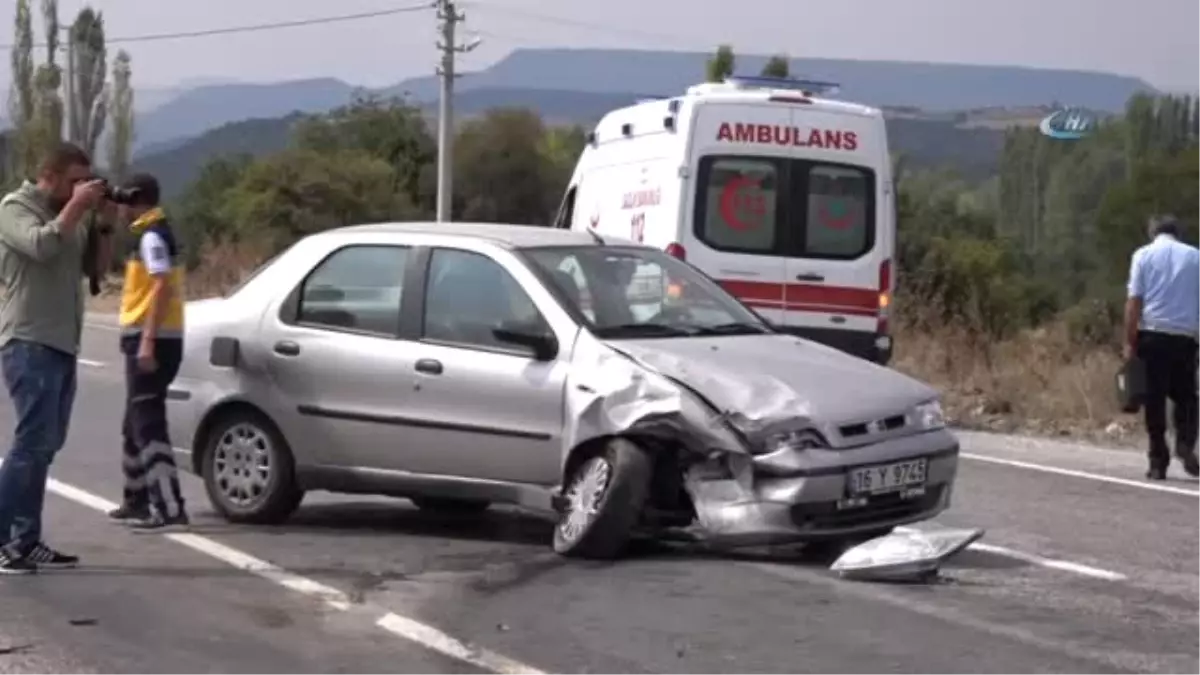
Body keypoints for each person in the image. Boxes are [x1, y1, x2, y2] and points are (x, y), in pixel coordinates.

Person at [0, 143, 110, 574]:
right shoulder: (14, 208)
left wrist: (103, 226)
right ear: (48, 174)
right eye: (73, 180)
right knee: (29, 445)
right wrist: (77, 207)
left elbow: (95, 273)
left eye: (86, 180)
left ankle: (26, 540)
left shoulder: (74, 215)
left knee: (47, 447)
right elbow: (42, 247)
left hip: (64, 343)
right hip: (29, 340)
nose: (79, 188)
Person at [104, 173, 190, 531]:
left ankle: (168, 507)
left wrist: (148, 341)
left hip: (154, 339)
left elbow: (161, 286)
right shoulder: (151, 231)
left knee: (148, 423)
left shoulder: (153, 236)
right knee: (133, 422)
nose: (119, 208)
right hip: (149, 336)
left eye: (122, 201)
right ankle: (136, 499)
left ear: (135, 199)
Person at [1123, 214, 1200, 480]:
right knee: (1187, 397)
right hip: (1185, 337)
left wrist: (1129, 341)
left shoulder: (1142, 255)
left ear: (1152, 232)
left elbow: (1134, 302)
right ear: (1178, 232)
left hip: (1152, 336)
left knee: (1154, 400)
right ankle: (1185, 443)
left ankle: (1158, 461)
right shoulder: (1195, 257)